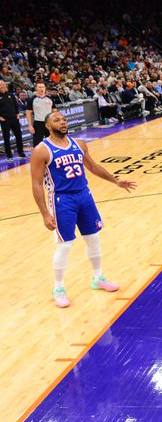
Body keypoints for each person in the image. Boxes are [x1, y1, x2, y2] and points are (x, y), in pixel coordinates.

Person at [30, 112, 137, 307]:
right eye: (57, 120)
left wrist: (116, 181)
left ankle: (98, 278)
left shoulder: (79, 143)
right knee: (65, 245)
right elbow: (36, 184)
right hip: (62, 200)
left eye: (64, 119)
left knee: (93, 238)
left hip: (84, 195)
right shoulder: (41, 150)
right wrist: (45, 213)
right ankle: (58, 288)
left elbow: (93, 167)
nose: (62, 122)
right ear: (47, 125)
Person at [0, 81, 25, 160]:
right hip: (4, 120)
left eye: (3, 84)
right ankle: (9, 156)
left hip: (14, 118)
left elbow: (16, 105)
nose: (2, 86)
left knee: (18, 136)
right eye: (1, 85)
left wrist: (17, 113)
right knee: (6, 138)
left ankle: (21, 153)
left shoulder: (11, 95)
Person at [26, 82, 56, 147]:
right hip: (38, 123)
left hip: (49, 123)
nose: (41, 88)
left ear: (45, 88)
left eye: (43, 87)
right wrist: (30, 125)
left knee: (53, 141)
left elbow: (55, 111)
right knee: (37, 143)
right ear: (36, 88)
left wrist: (55, 122)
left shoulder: (50, 99)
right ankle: (37, 156)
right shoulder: (32, 99)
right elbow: (28, 113)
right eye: (39, 87)